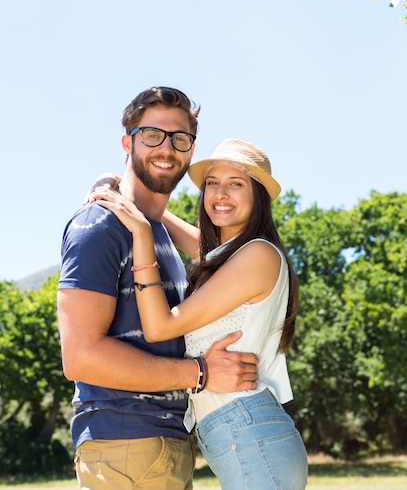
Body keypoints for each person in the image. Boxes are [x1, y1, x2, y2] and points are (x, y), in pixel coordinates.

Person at [58, 88, 259, 490]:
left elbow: (223, 253)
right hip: (125, 445)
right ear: (127, 141)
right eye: (152, 135)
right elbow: (80, 357)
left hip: (162, 446)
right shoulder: (99, 226)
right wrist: (201, 374)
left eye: (178, 138)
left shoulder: (153, 229)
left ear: (190, 150)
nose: (166, 148)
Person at [91, 137, 308, 490]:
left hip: (250, 433)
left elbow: (160, 327)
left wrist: (142, 235)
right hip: (243, 432)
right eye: (212, 183)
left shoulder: (258, 256)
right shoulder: (230, 256)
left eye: (235, 184)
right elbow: (164, 217)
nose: (220, 194)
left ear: (259, 197)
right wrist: (112, 185)